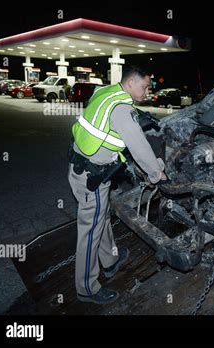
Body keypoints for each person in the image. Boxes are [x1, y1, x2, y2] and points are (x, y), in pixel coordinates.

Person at [68, 65, 167, 304]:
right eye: (144, 87)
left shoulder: (107, 92)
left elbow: (107, 121)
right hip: (92, 177)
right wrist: (156, 174)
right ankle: (87, 288)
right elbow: (139, 147)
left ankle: (110, 260)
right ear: (131, 84)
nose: (147, 92)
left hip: (81, 167)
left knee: (100, 218)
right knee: (90, 231)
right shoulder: (123, 109)